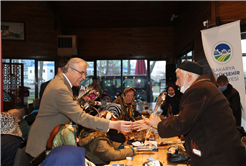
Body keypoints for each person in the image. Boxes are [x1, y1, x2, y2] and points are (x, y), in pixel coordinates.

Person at [133, 61, 246, 165]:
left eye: (178, 78)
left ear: (189, 77)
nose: (176, 83)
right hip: (222, 155)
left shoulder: (198, 90)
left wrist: (158, 125)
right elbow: (185, 117)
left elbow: (182, 122)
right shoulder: (205, 87)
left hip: (219, 158)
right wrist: (155, 125)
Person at [25, 58, 133, 158]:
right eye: (81, 73)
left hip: (50, 139)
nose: (84, 77)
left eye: (85, 74)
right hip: (42, 142)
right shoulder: (60, 88)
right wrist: (114, 124)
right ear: (70, 70)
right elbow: (80, 117)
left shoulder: (63, 84)